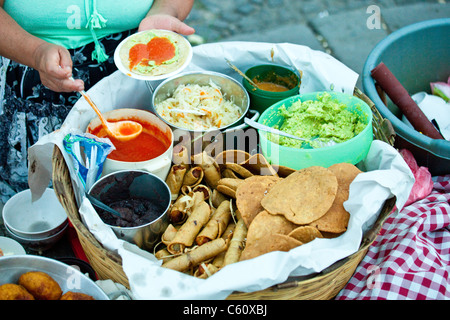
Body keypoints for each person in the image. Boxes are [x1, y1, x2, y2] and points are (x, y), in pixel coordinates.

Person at [0, 0, 195, 203]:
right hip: (37, 70)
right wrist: (35, 53)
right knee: (46, 205)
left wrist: (166, 10)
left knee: (141, 199)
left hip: (138, 62)